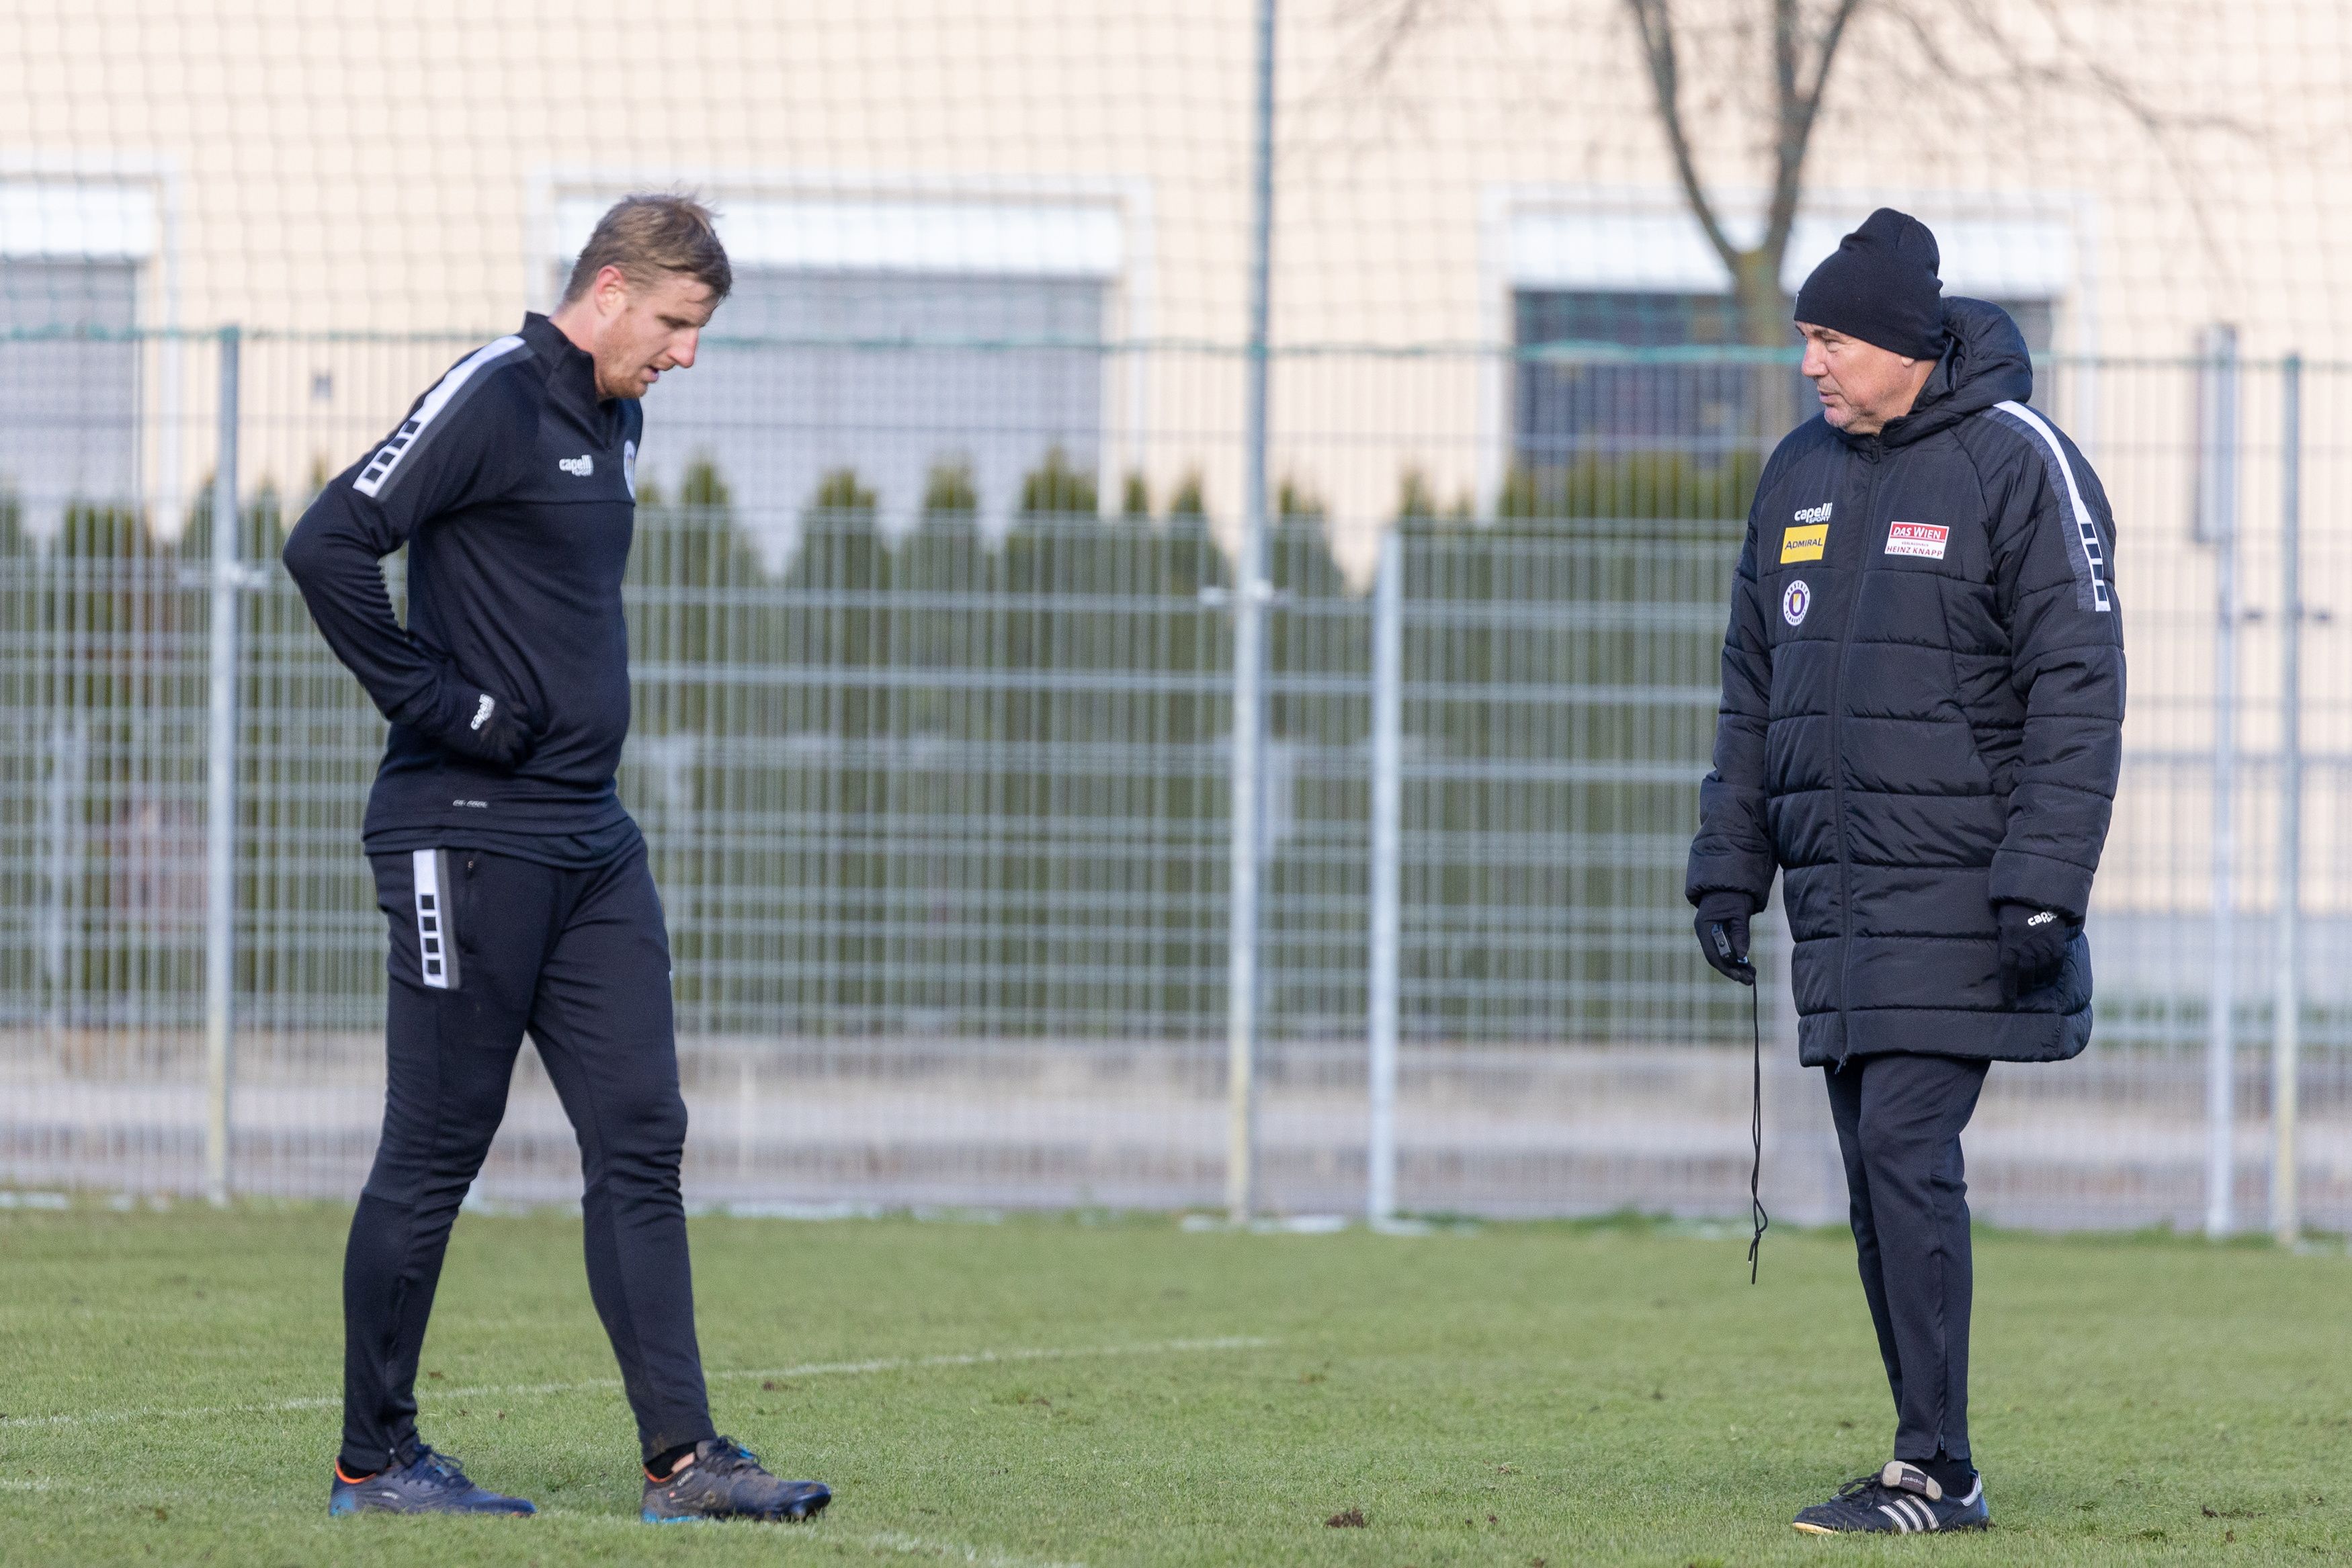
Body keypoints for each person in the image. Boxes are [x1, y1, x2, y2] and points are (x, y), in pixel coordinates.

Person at [283, 193, 830, 1524]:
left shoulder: (614, 417)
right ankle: (377, 1461)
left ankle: (686, 1464)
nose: (685, 356)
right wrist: (445, 705)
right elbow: (327, 542)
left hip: (590, 839)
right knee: (434, 1150)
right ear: (605, 293)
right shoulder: (494, 394)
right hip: (460, 838)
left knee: (642, 1134)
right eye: (677, 326)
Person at [1685, 208, 2124, 1534]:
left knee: (1903, 1149)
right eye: (1804, 336)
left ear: (1897, 343)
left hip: (1966, 897)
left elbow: (2076, 681)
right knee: (1878, 1178)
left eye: (1827, 336)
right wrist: (1727, 864)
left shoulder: (2015, 463)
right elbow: (1753, 687)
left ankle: (1938, 1469)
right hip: (1840, 907)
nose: (1808, 361)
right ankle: (1926, 1457)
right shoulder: (1794, 475)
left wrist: (2044, 876)